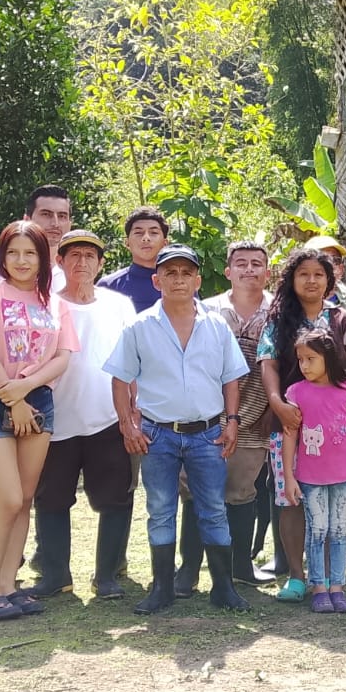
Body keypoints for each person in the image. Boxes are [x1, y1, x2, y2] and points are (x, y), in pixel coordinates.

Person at [105, 244, 250, 615]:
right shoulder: (139, 327)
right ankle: (162, 588)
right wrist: (127, 424)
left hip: (207, 433)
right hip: (158, 434)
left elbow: (231, 378)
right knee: (160, 508)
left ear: (198, 280)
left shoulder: (216, 326)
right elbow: (120, 379)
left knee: (213, 508)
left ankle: (223, 588)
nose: (179, 280)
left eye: (187, 273)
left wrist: (232, 421)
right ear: (157, 281)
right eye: (170, 273)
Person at [0, 222, 77, 621]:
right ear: (2, 257)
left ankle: (10, 586)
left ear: (44, 259)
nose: (21, 260)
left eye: (30, 253)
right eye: (13, 252)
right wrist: (12, 397)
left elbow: (63, 357)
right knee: (8, 498)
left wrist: (26, 389)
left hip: (37, 398)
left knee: (25, 499)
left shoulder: (55, 303)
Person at [26, 230, 138, 601]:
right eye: (73, 255)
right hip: (54, 420)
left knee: (116, 498)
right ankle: (56, 575)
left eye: (90, 256)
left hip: (108, 417)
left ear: (101, 263)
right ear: (59, 261)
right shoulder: (43, 303)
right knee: (51, 499)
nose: (82, 262)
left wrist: (133, 410)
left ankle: (106, 576)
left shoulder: (118, 305)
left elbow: (132, 361)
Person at [258, 247, 346, 601]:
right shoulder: (278, 320)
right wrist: (277, 403)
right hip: (290, 424)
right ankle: (296, 576)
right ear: (291, 280)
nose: (311, 280)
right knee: (291, 498)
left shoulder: (341, 319)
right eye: (303, 274)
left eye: (319, 274)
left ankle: (326, 579)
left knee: (331, 502)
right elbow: (268, 364)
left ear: (329, 280)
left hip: (335, 426)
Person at [176, 242, 278, 591]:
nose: (249, 270)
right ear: (228, 271)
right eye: (242, 263)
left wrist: (272, 411)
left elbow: (286, 366)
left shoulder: (279, 313)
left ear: (268, 272)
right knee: (195, 492)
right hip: (206, 419)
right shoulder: (205, 310)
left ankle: (241, 567)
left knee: (242, 492)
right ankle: (189, 569)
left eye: (257, 264)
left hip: (256, 417)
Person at [282, 327, 346, 612]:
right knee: (317, 530)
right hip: (310, 479)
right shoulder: (296, 392)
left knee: (339, 530)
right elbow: (290, 436)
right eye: (300, 360)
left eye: (311, 359)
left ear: (328, 357)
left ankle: (338, 587)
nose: (304, 366)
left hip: (345, 477)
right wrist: (288, 477)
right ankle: (318, 587)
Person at [0, 186, 72, 293]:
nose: (55, 223)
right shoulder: (1, 261)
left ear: (70, 223)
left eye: (62, 216)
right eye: (46, 214)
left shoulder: (77, 266)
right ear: (27, 220)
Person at [99, 205, 168, 312]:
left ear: (165, 243)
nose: (146, 238)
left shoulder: (181, 283)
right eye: (138, 233)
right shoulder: (109, 286)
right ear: (127, 243)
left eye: (154, 233)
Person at [304, 234, 346, 312]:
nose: (330, 264)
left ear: (341, 268)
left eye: (335, 260)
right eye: (323, 259)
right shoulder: (290, 303)